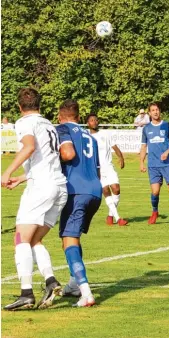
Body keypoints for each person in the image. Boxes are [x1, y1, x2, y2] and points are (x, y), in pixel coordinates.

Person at [1, 88, 67, 310]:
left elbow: (29, 147)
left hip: (41, 188)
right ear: (39, 105)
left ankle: (26, 293)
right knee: (34, 240)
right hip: (58, 187)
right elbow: (45, 159)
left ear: (20, 107)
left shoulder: (24, 122)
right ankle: (51, 281)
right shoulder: (49, 124)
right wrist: (22, 178)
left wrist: (7, 172)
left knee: (20, 238)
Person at [56, 99, 102, 307]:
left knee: (68, 238)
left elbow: (67, 153)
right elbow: (98, 169)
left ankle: (86, 292)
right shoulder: (90, 137)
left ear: (60, 115)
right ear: (79, 116)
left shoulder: (62, 129)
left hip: (77, 190)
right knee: (72, 237)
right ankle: (74, 283)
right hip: (95, 190)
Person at [140, 102, 169, 226]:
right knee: (155, 192)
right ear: (149, 113)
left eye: (157, 109)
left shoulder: (167, 126)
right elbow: (143, 147)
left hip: (168, 163)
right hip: (153, 165)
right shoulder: (146, 129)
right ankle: (155, 212)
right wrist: (141, 162)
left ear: (160, 111)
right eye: (153, 110)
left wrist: (167, 152)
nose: (155, 112)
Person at [86, 114, 128, 226]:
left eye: (95, 120)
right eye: (91, 120)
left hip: (108, 166)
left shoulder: (105, 134)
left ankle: (110, 215)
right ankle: (118, 218)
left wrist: (121, 158)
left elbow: (115, 147)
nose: (94, 122)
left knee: (116, 189)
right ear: (87, 123)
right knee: (106, 191)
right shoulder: (86, 137)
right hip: (96, 169)